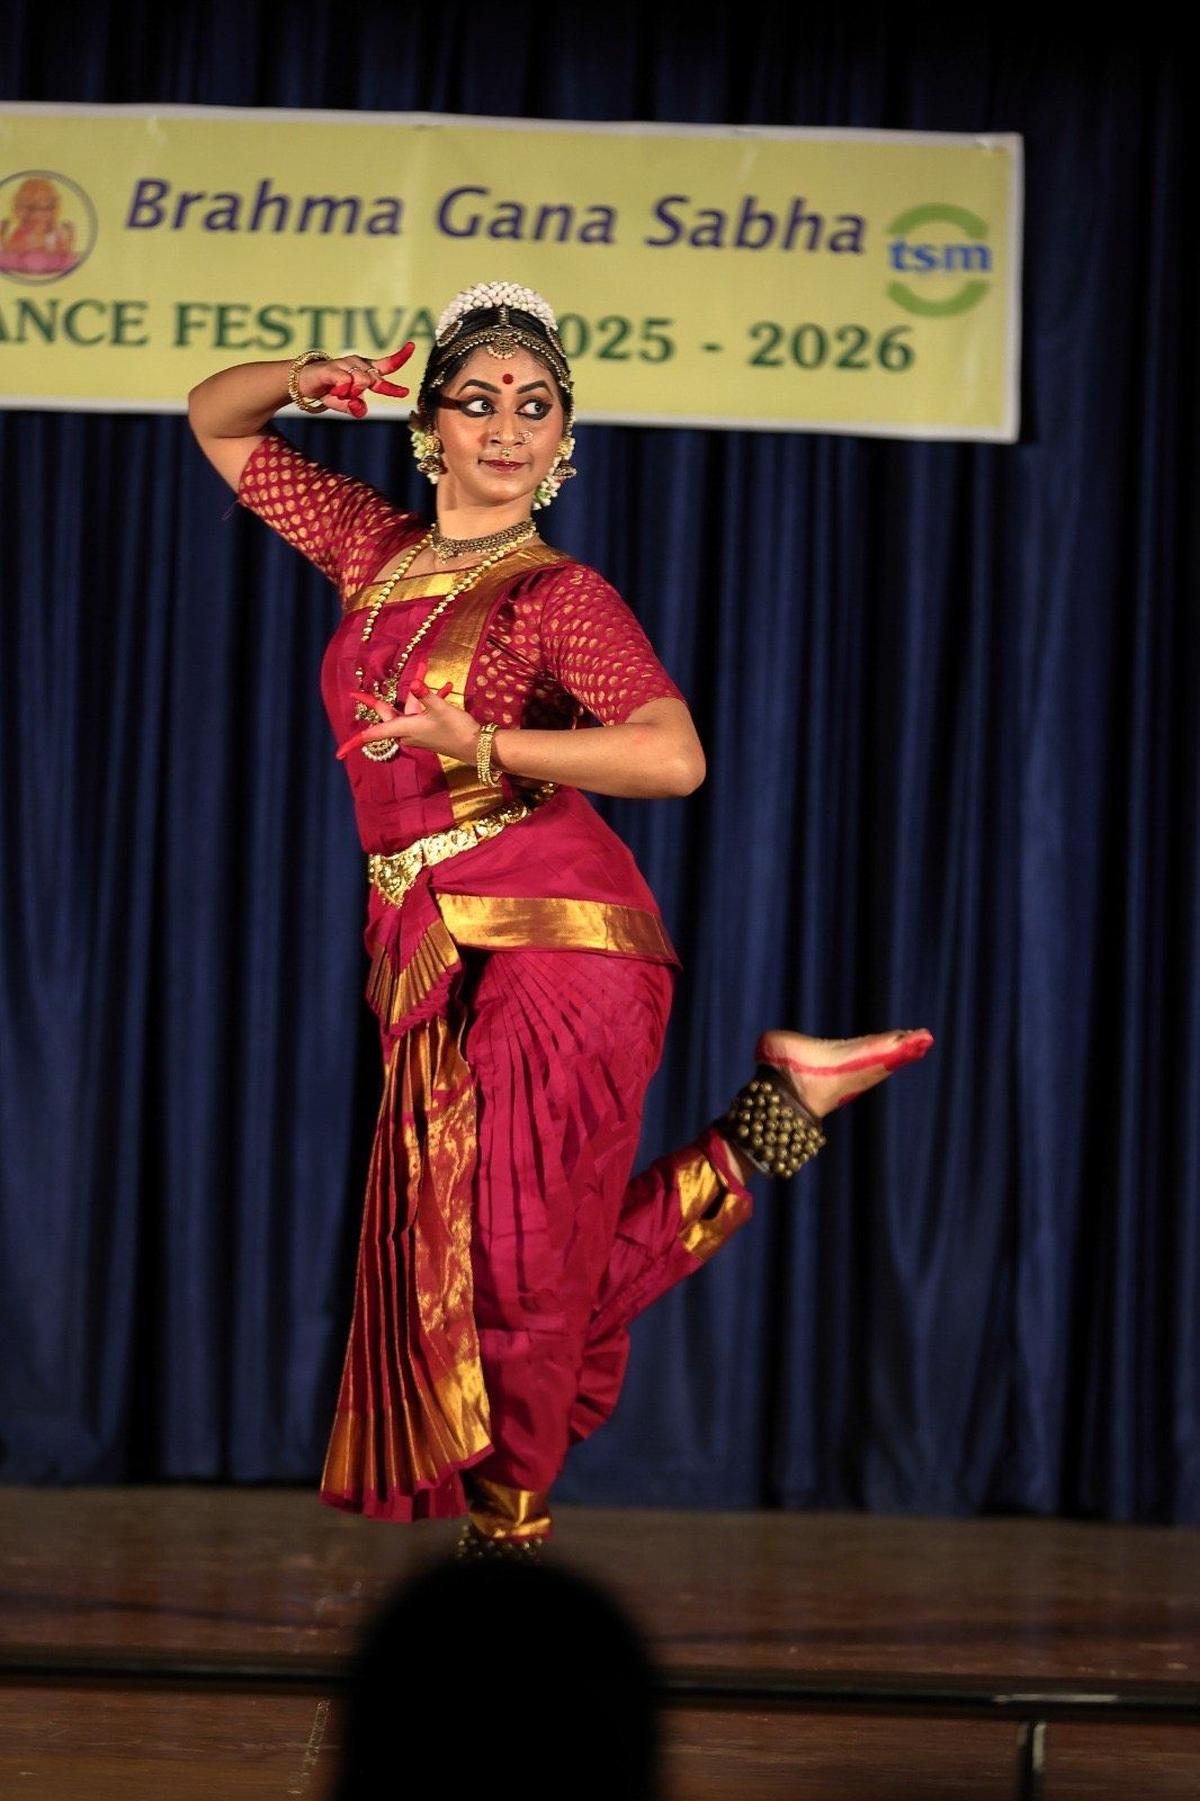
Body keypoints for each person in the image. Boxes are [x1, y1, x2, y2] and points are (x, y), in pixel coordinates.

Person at [187, 281, 933, 1557]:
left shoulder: (556, 596)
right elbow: (216, 417)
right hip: (433, 947)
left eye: (536, 407)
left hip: (565, 942)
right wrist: (311, 378)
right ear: (430, 425)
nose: (507, 427)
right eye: (479, 401)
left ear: (564, 440)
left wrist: (483, 741)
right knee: (496, 1266)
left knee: (518, 1274)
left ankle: (507, 1547)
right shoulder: (376, 549)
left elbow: (672, 755)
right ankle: (778, 1117)